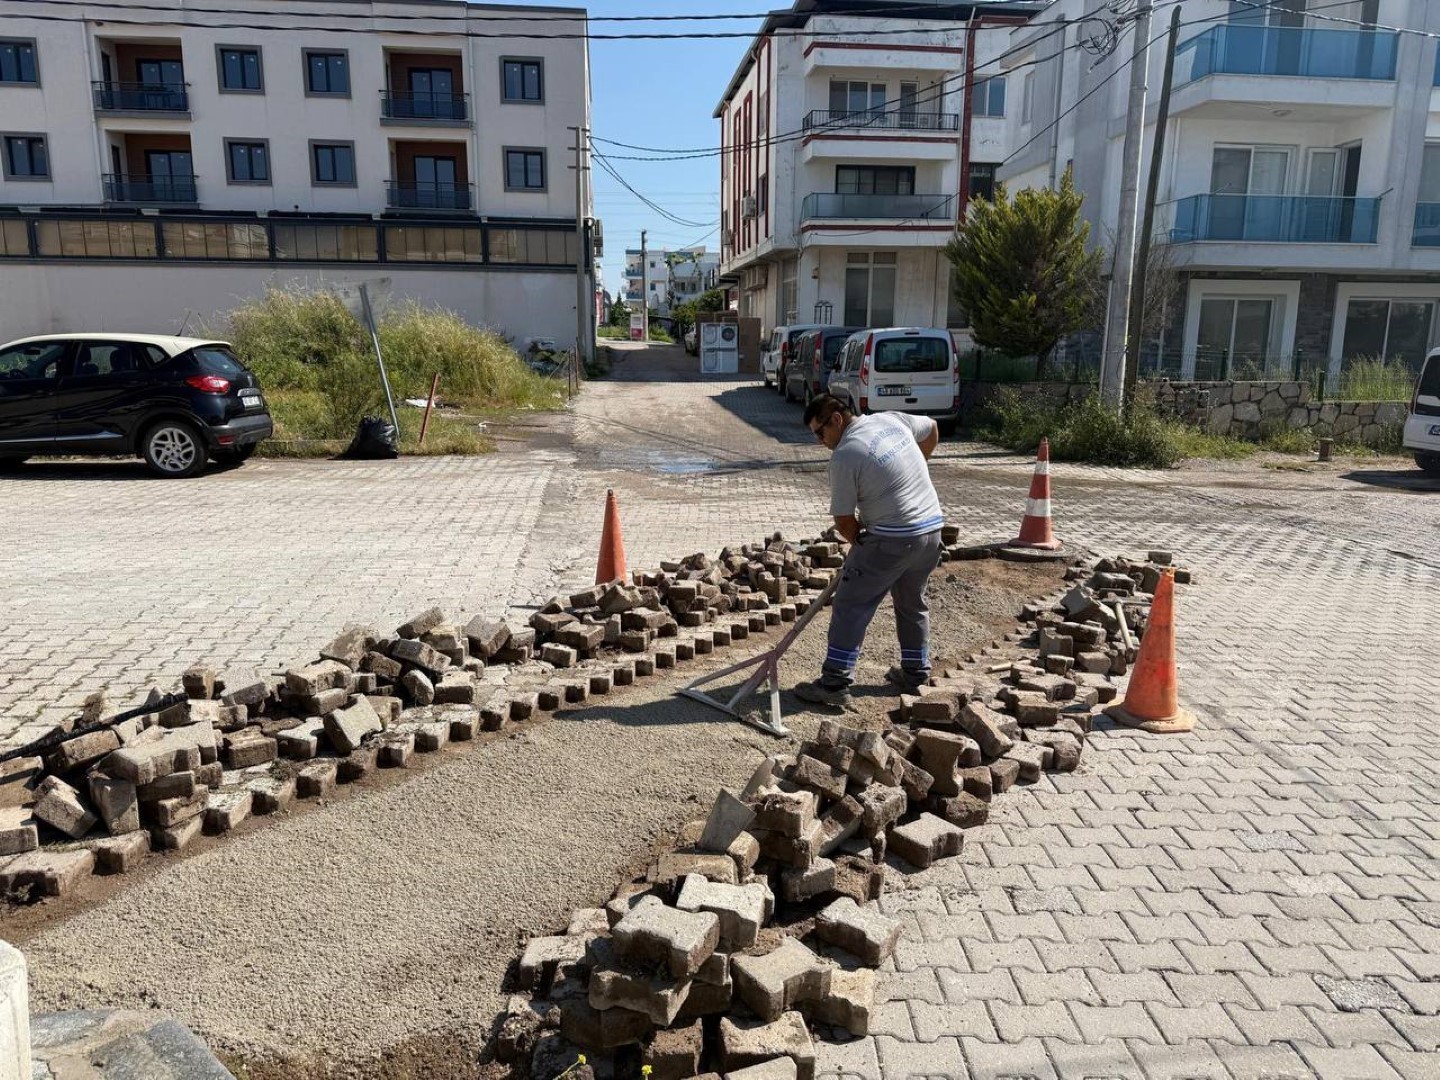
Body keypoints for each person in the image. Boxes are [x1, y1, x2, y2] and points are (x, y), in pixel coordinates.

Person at [794, 394, 944, 708]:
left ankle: (834, 684)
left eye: (821, 433)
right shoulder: (890, 419)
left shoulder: (847, 454)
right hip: (931, 532)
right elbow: (931, 428)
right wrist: (911, 473)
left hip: (893, 537)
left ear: (836, 419)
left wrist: (863, 546)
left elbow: (845, 522)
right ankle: (916, 673)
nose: (821, 441)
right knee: (911, 601)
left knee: (851, 603)